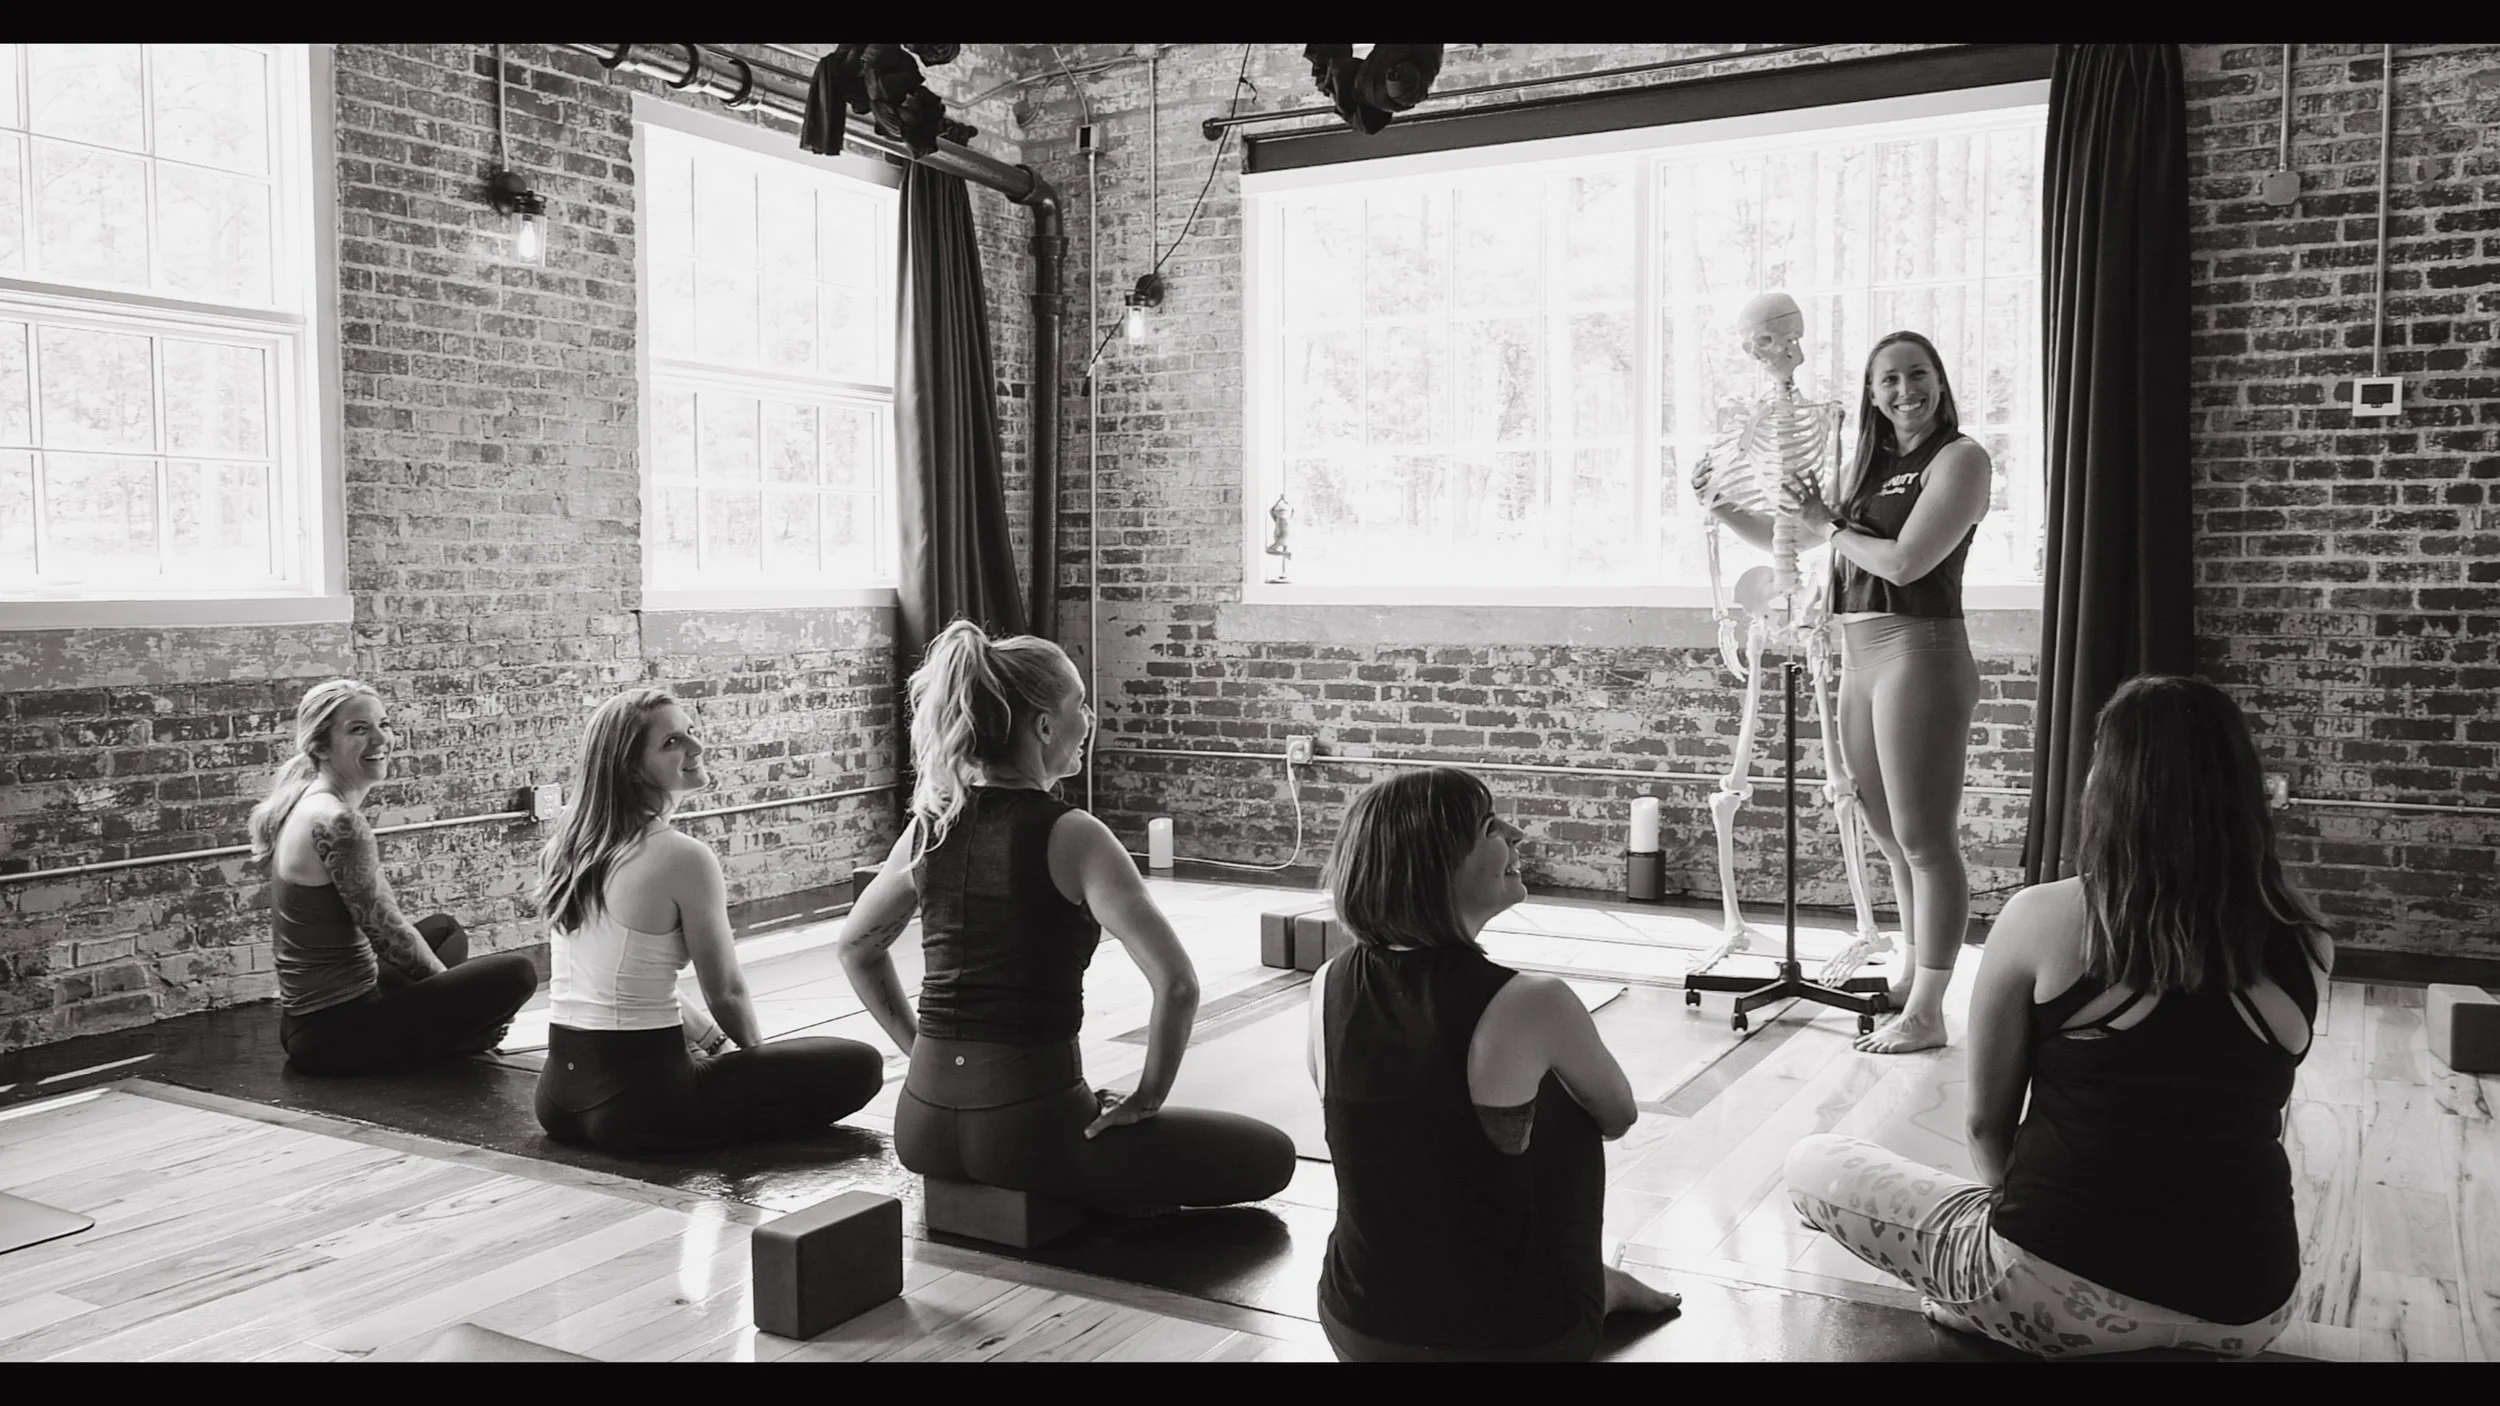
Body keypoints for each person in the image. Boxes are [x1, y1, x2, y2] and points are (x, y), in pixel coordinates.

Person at [1784, 675, 2333, 1358]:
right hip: (2248, 1315)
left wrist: (2030, 1232)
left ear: (2108, 785)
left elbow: (1987, 1125)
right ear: (2246, 786)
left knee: (1812, 1160)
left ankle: (1993, 1305)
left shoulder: (2043, 916)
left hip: (2060, 1297)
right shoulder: (2307, 939)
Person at [837, 619, 1294, 1215]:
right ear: (1045, 726)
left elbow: (856, 948)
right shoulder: (1074, 835)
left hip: (920, 1127)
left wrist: (919, 1047)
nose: (1090, 723)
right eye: (1081, 706)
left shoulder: (932, 825)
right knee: (1271, 1156)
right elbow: (1177, 984)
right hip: (1029, 1136)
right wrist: (1146, 1099)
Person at [1306, 767, 1681, 1363]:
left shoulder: (1329, 981)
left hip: (1354, 1324)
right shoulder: (1534, 1000)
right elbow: (1618, 1116)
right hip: (1514, 1345)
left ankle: (1589, 1283)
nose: (1517, 835)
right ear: (1439, 864)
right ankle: (1590, 1287)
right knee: (1565, 1103)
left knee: (1457, 1109)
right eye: (1491, 826)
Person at [1697, 329, 1991, 1053]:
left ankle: (1929, 1010)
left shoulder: (1961, 459)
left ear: (1940, 381)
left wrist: (1828, 521)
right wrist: (1716, 503)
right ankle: (1909, 981)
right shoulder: (1869, 468)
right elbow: (1791, 541)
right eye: (1887, 380)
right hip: (1859, 655)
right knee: (1891, 838)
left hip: (1918, 649)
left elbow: (1906, 560)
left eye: (1917, 375)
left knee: (1925, 839)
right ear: (1872, 392)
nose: (1903, 391)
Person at [532, 688, 883, 1153]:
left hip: (557, 1099)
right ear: (631, 767)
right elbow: (726, 990)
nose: (696, 747)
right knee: (860, 1064)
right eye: (672, 742)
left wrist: (713, 1044)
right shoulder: (681, 856)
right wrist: (757, 1065)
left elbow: (627, 974)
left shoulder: (570, 847)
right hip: (641, 1108)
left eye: (690, 732)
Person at [247, 679, 537, 1076]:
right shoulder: (338, 821)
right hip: (333, 1033)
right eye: (359, 729)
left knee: (445, 931)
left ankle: (452, 1029)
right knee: (516, 973)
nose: (382, 738)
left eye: (384, 723)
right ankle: (464, 1038)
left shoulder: (308, 799)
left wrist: (454, 992)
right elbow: (388, 935)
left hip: (318, 1019)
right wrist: (462, 1009)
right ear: (319, 746)